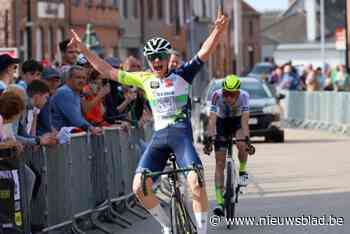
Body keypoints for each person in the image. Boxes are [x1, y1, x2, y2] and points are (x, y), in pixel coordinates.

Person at [70, 8, 228, 234]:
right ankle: (165, 225)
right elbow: (106, 70)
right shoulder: (143, 78)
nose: (155, 61)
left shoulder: (183, 75)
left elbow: (204, 51)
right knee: (138, 188)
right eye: (151, 58)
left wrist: (218, 30)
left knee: (196, 182)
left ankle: (201, 231)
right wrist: (83, 49)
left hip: (181, 137)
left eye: (159, 57)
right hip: (159, 139)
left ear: (167, 59)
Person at [204, 74, 250, 216]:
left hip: (237, 122)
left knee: (241, 144)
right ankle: (219, 202)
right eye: (226, 94)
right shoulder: (216, 96)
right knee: (219, 163)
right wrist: (209, 139)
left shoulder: (244, 96)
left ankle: (242, 170)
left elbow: (244, 122)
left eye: (232, 95)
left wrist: (247, 139)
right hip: (222, 123)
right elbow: (212, 121)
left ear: (238, 93)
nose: (228, 98)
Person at [51, 65, 102, 135]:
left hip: (65, 138)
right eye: (78, 78)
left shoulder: (75, 92)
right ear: (69, 79)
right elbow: (76, 119)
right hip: (58, 139)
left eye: (84, 78)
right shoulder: (65, 92)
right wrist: (91, 128)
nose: (81, 81)